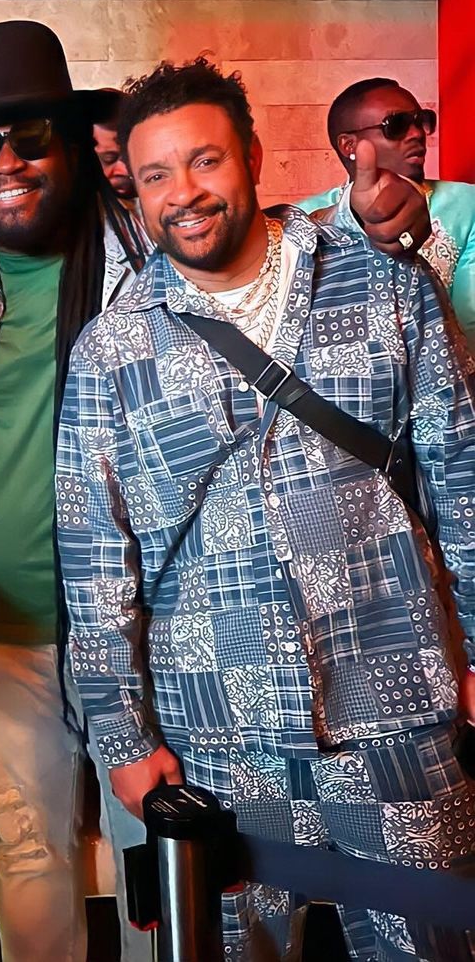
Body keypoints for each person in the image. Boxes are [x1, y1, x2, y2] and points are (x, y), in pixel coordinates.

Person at [57, 56, 475, 961]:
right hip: (214, 726)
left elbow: (463, 482)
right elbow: (94, 560)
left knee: (430, 944)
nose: (182, 193)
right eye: (156, 174)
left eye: (204, 160)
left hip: (396, 702)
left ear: (250, 156)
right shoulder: (111, 350)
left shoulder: (386, 289)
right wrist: (122, 736)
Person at [0, 20, 154, 962]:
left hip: (144, 622)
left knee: (156, 847)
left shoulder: (153, 255)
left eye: (29, 137)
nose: (4, 162)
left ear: (74, 140)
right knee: (29, 849)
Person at [298, 77, 475, 342]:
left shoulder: (467, 204)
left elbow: (470, 322)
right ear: (349, 145)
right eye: (396, 125)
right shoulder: (302, 217)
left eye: (421, 121)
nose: (417, 133)